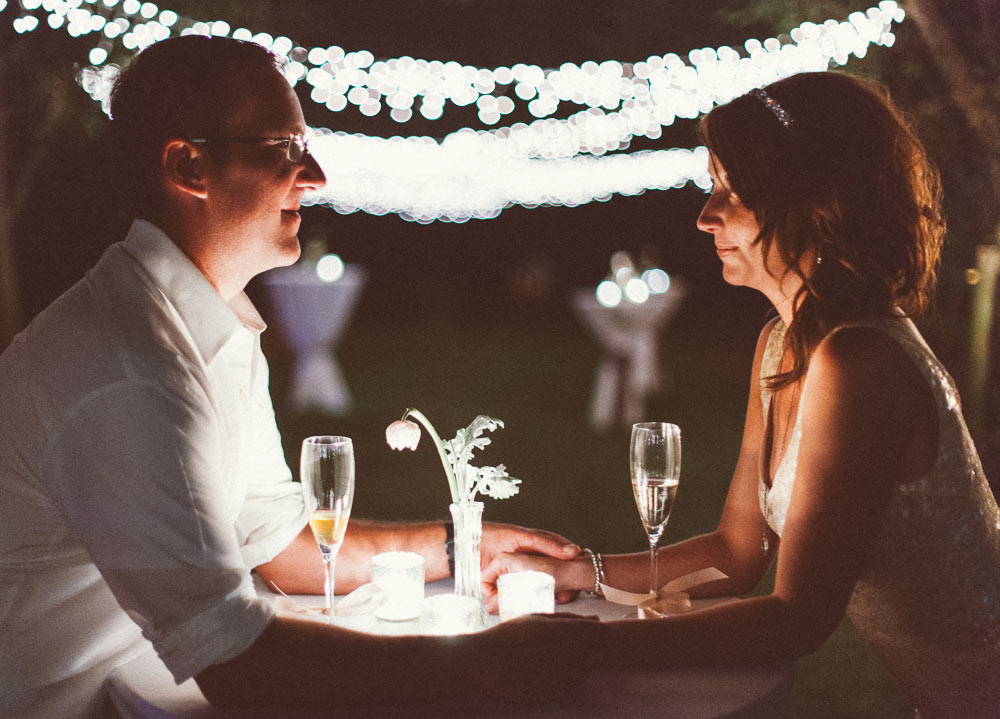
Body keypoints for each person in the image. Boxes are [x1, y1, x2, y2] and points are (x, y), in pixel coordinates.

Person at [0, 35, 588, 719]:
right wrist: (491, 658)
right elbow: (244, 668)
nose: (315, 174)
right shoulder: (128, 366)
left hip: (145, 684)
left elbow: (282, 546)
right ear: (189, 165)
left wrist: (462, 546)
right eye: (283, 146)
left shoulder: (212, 320)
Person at [482, 72, 1000, 718]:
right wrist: (579, 572)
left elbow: (797, 618)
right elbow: (736, 552)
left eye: (732, 190)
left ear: (814, 200)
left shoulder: (860, 361)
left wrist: (583, 645)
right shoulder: (782, 344)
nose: (705, 217)